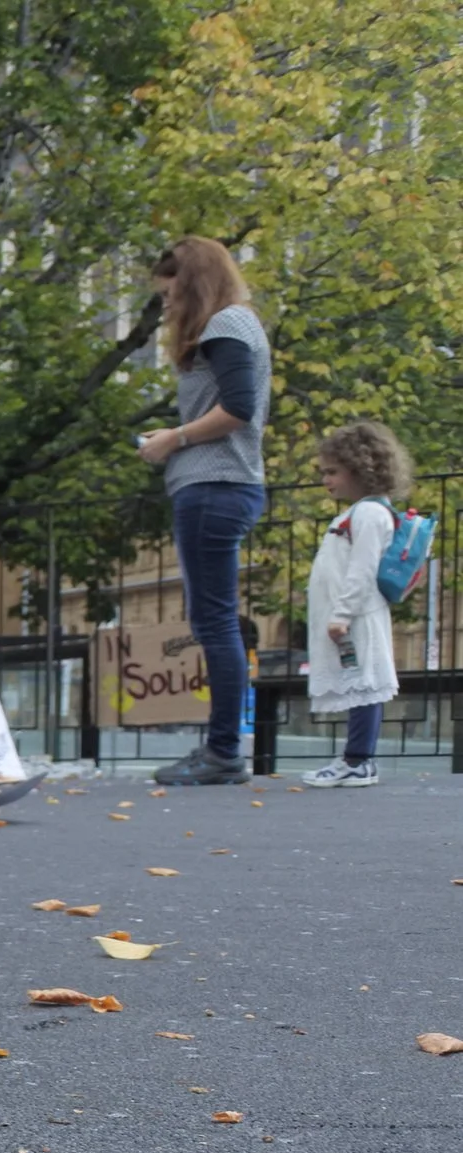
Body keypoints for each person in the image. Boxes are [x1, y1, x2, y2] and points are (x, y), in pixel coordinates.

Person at [138, 237, 270, 785]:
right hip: (219, 486)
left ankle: (223, 754)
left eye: (170, 295)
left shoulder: (225, 326)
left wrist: (174, 438)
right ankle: (221, 751)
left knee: (214, 621)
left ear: (192, 285)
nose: (166, 307)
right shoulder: (236, 327)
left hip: (214, 486)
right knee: (215, 620)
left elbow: (238, 408)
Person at [301, 422, 409, 787]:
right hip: (353, 614)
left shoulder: (369, 515)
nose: (325, 480)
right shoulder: (361, 513)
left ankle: (358, 759)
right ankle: (356, 757)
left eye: (332, 471)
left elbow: (362, 569)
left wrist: (341, 614)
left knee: (364, 684)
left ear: (360, 469)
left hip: (357, 615)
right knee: (360, 682)